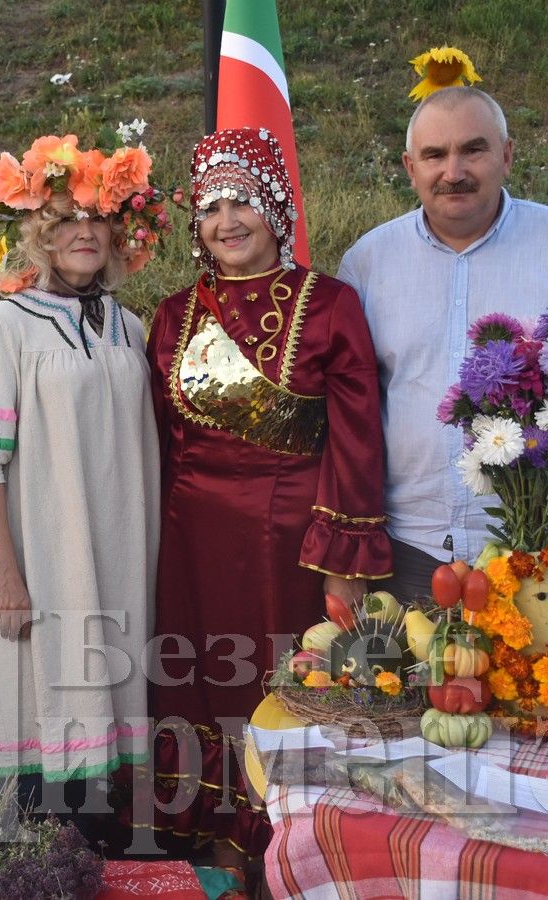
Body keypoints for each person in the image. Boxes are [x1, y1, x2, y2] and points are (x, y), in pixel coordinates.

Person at [144, 127, 392, 865]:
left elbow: (354, 443)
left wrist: (340, 558)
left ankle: (294, 849)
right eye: (212, 206)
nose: (227, 221)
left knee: (284, 686)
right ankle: (214, 843)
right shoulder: (170, 315)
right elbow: (157, 445)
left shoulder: (329, 307)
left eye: (244, 200)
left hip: (290, 546)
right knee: (201, 685)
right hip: (189, 545)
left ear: (277, 207)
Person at [337, 86, 548, 602]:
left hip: (544, 554)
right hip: (406, 552)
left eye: (473, 150)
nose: (453, 171)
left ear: (506, 155)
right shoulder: (369, 261)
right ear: (409, 167)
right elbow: (346, 402)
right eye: (434, 155)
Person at [0, 133, 163, 821]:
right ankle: (37, 850)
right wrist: (4, 574)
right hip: (39, 557)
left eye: (96, 219)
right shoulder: (4, 327)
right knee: (40, 699)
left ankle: (105, 845)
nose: (83, 233)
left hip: (119, 549)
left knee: (112, 683)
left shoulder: (129, 328)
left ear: (116, 231)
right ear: (41, 232)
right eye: (66, 219)